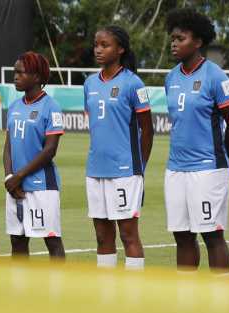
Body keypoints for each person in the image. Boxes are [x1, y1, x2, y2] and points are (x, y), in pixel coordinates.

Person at [165, 9, 229, 273]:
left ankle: (219, 297)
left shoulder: (215, 76)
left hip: (207, 169)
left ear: (198, 42)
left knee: (211, 235)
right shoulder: (171, 77)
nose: (174, 43)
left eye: (180, 38)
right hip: (175, 169)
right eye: (172, 38)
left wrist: (222, 157)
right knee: (181, 235)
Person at [84, 26, 154, 270]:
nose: (99, 50)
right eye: (96, 45)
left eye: (105, 45)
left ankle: (133, 294)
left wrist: (139, 168)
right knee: (102, 236)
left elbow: (148, 129)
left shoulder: (134, 83)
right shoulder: (90, 83)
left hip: (125, 171)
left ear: (121, 49)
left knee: (128, 235)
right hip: (95, 170)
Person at [4, 52, 65, 259]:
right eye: (15, 72)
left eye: (20, 72)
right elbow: (8, 147)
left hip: (42, 186)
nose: (15, 76)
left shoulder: (51, 106)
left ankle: (57, 290)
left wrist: (19, 176)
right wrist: (9, 178)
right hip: (15, 187)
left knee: (52, 240)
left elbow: (50, 150)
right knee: (17, 241)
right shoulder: (14, 106)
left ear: (37, 77)